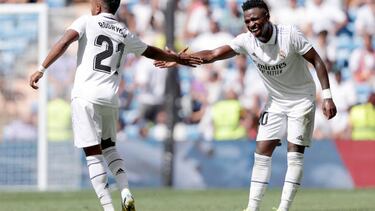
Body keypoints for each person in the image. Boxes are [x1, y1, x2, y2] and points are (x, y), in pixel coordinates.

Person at [154, 1, 337, 210]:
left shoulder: (289, 35)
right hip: (276, 100)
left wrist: (327, 96)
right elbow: (213, 55)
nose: (251, 24)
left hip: (301, 99)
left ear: (267, 16)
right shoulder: (246, 41)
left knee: (294, 155)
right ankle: (252, 208)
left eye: (255, 19)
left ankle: (284, 208)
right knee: (261, 152)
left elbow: (317, 61)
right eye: (247, 20)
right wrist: (179, 58)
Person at [29, 0, 202, 211]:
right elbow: (150, 51)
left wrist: (41, 68)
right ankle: (125, 190)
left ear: (99, 7)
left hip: (85, 97)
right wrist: (176, 57)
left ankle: (109, 208)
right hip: (110, 99)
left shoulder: (86, 21)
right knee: (110, 148)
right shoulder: (123, 31)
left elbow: (65, 42)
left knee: (93, 154)